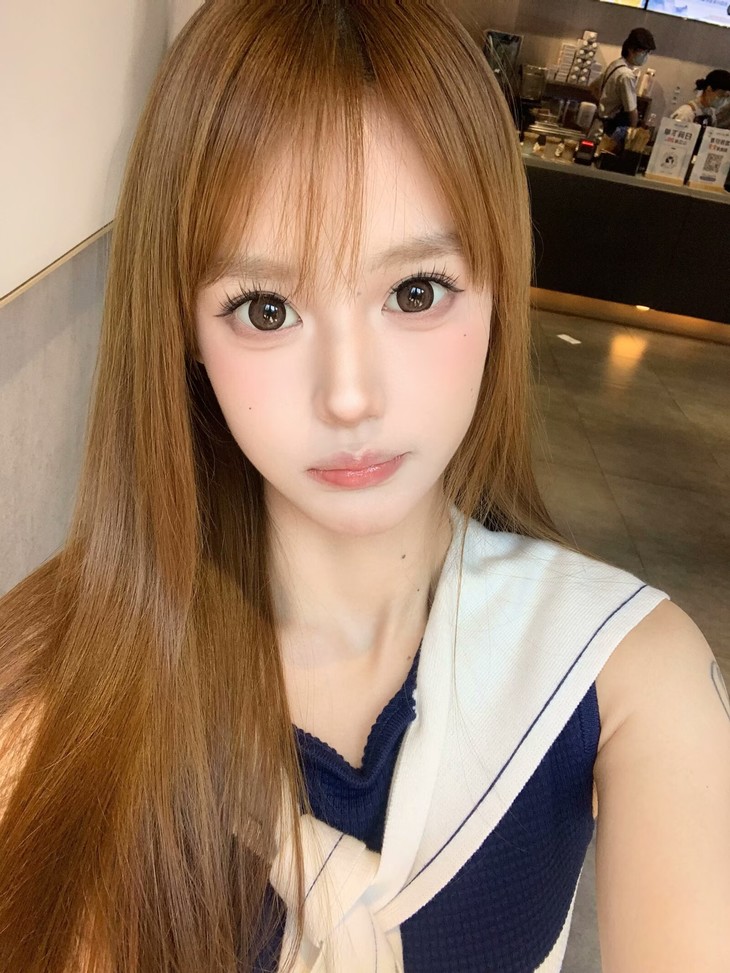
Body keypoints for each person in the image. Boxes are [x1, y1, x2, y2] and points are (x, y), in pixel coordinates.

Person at [1, 2, 729, 971]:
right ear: (183, 328)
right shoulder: (50, 686)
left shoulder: (623, 671)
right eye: (266, 308)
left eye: (415, 291)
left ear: (498, 286)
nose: (349, 395)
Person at [594, 27, 657, 136]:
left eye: (648, 52)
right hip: (610, 131)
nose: (646, 56)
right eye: (644, 52)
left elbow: (593, 87)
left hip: (599, 124)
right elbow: (632, 111)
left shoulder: (615, 64)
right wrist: (632, 134)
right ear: (631, 50)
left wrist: (604, 105)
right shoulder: (626, 75)